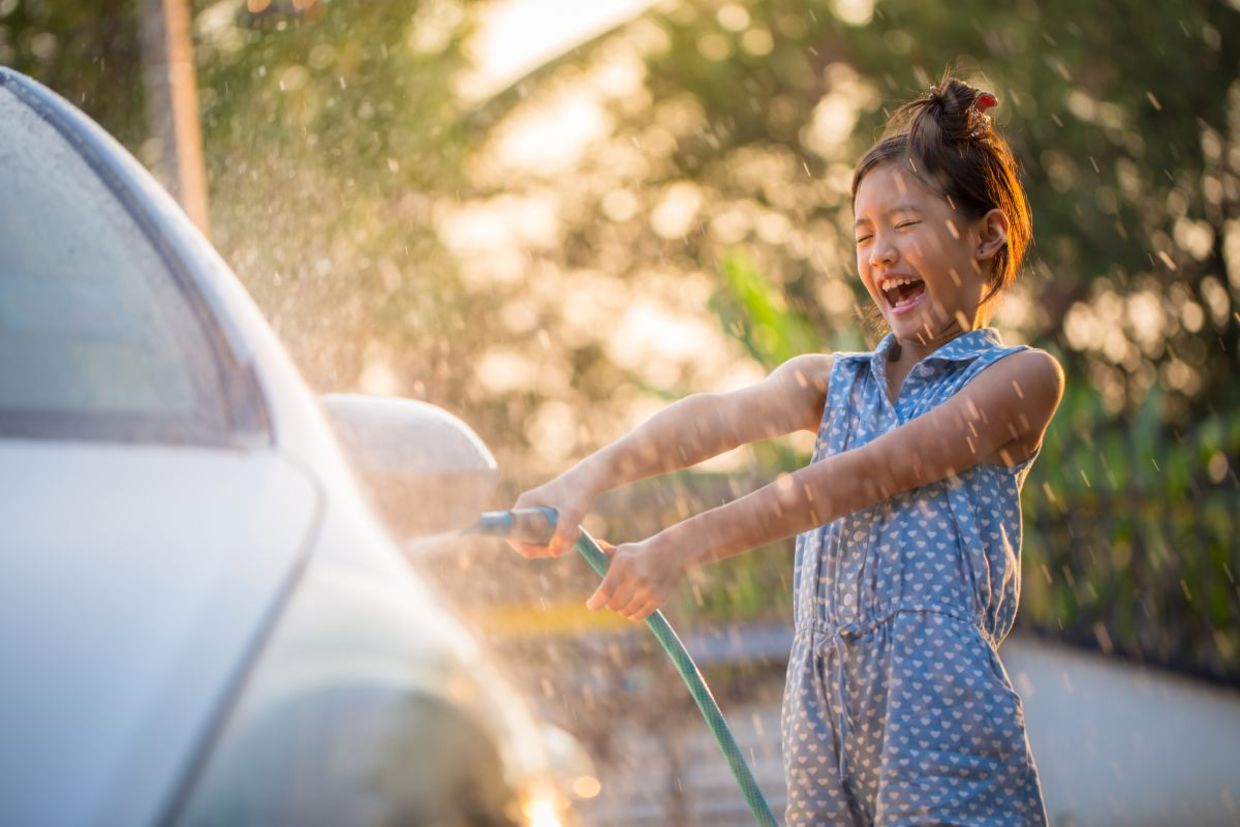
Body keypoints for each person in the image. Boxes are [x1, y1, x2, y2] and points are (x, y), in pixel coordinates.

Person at [509, 74, 1063, 825]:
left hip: (938, 721)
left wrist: (679, 546)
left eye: (904, 223)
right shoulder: (835, 384)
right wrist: (585, 475)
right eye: (864, 234)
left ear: (986, 233)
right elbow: (711, 418)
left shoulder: (1019, 379)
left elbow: (867, 475)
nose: (882, 252)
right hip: (822, 718)